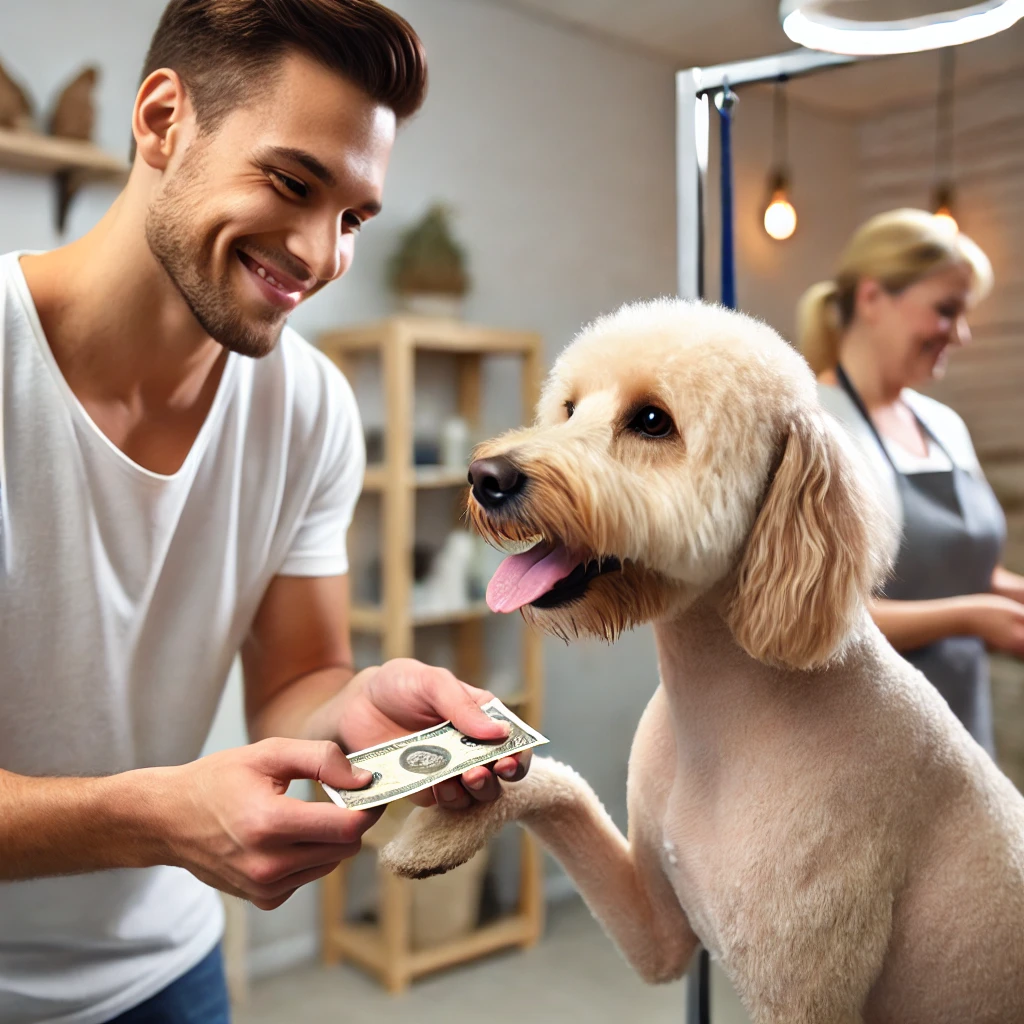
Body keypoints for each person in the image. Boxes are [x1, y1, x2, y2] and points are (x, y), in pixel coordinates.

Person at [0, 3, 530, 1022]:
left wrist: (371, 707)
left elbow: (294, 679)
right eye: (292, 183)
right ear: (162, 121)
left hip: (164, 972)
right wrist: (153, 817)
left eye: (353, 217)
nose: (320, 253)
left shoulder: (311, 407)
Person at [798, 208, 1024, 756]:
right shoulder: (815, 427)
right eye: (946, 311)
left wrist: (1010, 595)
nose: (962, 334)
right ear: (873, 298)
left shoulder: (944, 425)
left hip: (961, 726)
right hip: (863, 741)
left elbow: (952, 568)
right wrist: (975, 618)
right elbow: (816, 612)